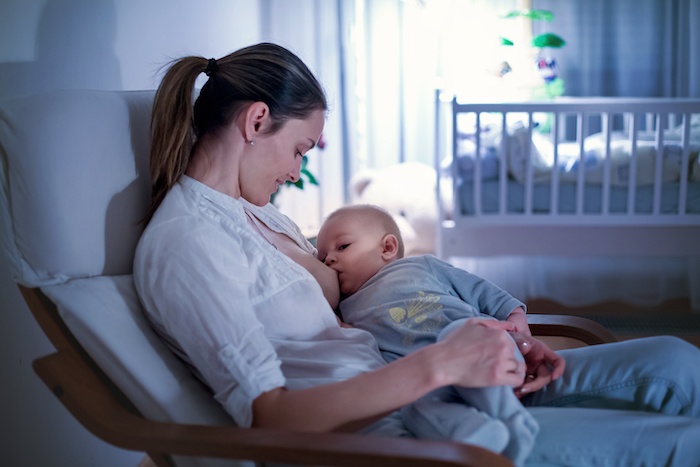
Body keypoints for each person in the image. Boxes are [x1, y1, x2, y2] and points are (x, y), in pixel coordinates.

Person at [133, 42, 700, 466]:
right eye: (301, 148)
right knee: (677, 446)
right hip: (396, 435)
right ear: (257, 120)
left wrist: (499, 343)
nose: (297, 170)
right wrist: (442, 362)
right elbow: (269, 416)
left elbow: (358, 305)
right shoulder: (187, 243)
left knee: (675, 362)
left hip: (436, 386)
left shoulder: (260, 214)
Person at [315, 204, 552, 464]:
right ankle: (476, 433)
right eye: (323, 256)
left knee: (458, 331)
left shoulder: (420, 266)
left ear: (387, 248)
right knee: (411, 410)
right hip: (429, 381)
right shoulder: (346, 308)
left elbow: (484, 292)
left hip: (481, 355)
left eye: (343, 246)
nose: (329, 259)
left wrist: (517, 326)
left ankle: (512, 421)